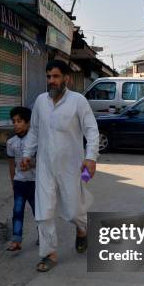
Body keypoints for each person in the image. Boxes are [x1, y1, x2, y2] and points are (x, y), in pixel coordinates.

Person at [21, 60, 99, 272]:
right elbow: (34, 131)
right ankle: (49, 253)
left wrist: (90, 158)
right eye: (48, 77)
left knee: (73, 211)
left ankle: (82, 230)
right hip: (45, 167)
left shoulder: (78, 101)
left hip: (73, 168)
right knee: (43, 211)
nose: (51, 81)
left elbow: (92, 130)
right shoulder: (40, 102)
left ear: (67, 78)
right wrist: (27, 154)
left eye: (55, 76)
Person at [5, 106, 36, 252]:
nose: (16, 124)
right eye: (14, 121)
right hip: (19, 183)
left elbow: (43, 161)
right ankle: (16, 240)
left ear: (28, 123)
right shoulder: (11, 143)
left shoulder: (35, 140)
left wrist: (31, 165)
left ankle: (44, 237)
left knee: (39, 213)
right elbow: (11, 165)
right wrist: (13, 182)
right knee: (17, 212)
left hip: (35, 183)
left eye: (20, 121)